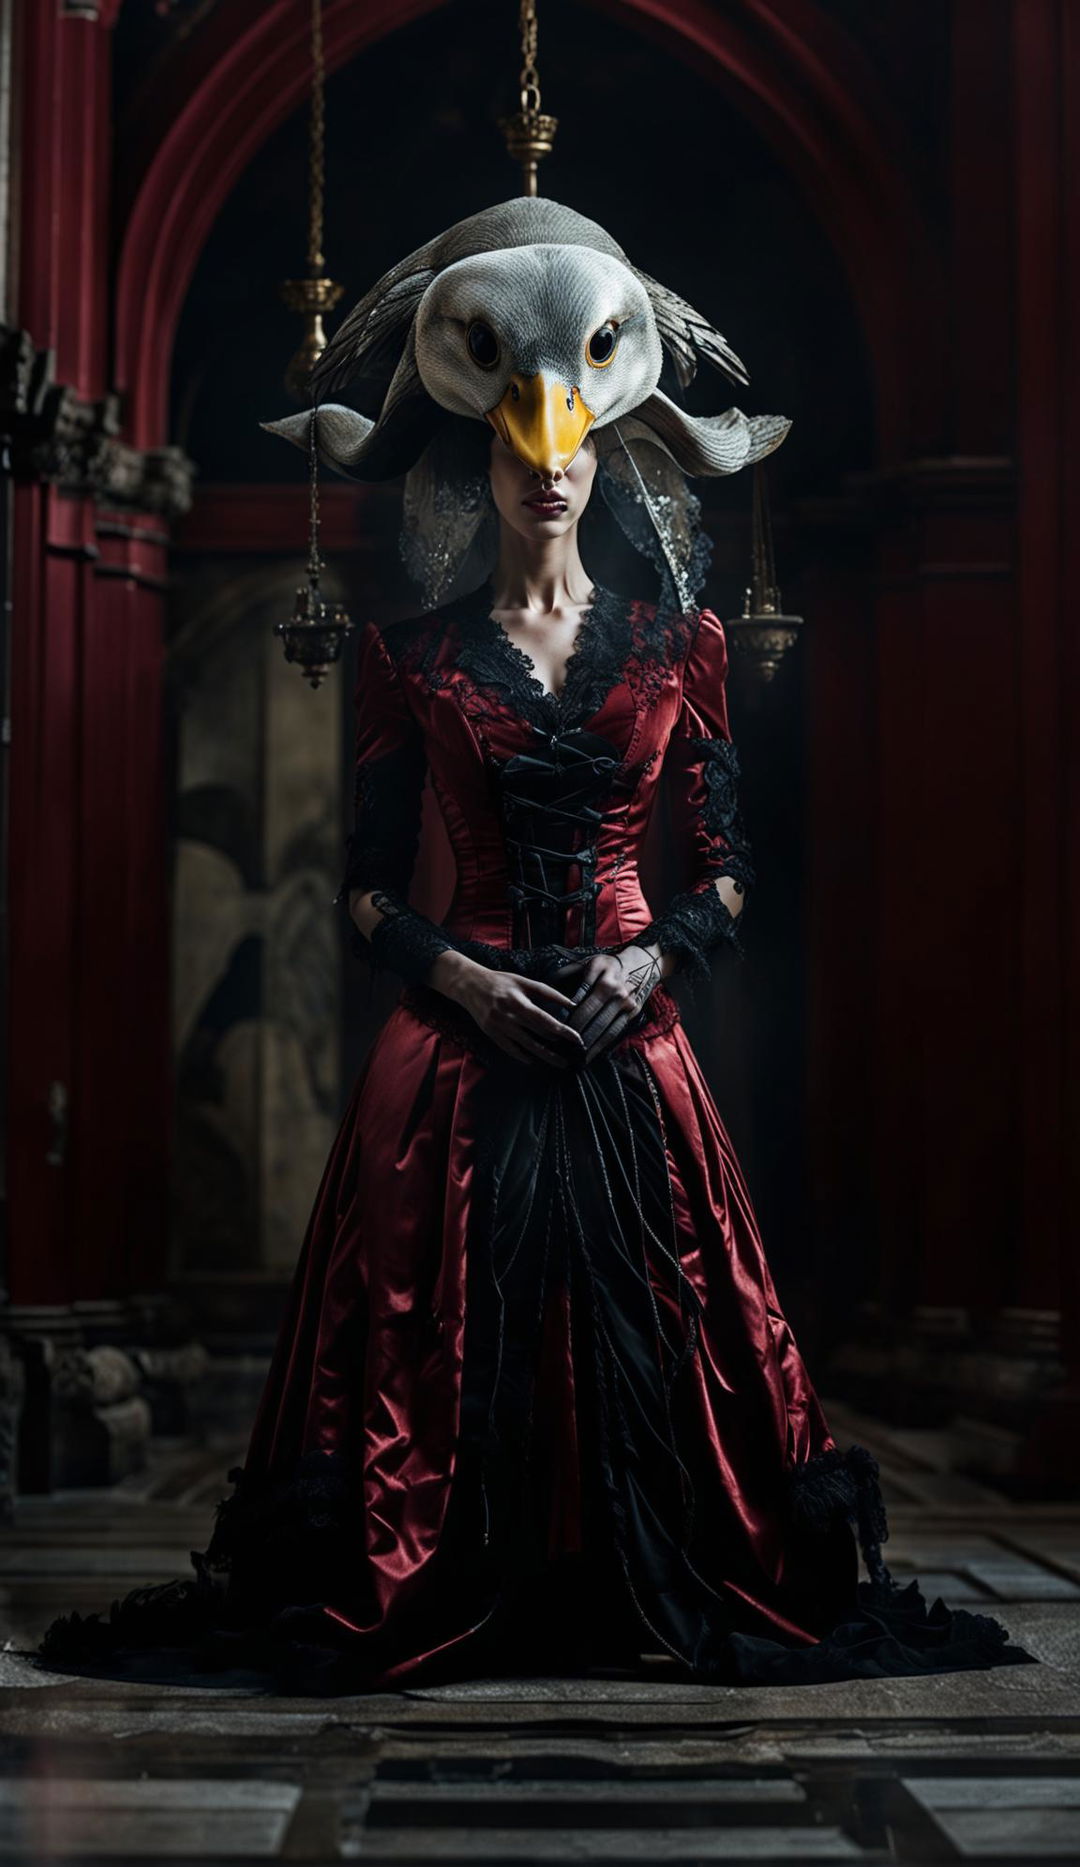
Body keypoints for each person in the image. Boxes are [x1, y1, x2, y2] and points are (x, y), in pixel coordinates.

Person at [43, 200, 1027, 1690]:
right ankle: (454, 1578)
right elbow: (364, 894)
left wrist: (656, 963)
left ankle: (643, 1579)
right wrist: (467, 981)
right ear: (485, 465)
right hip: (460, 1041)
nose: (548, 475)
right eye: (521, 453)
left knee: (673, 1329)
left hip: (639, 1037)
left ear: (603, 463)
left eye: (571, 455)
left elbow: (732, 871)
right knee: (435, 1338)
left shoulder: (680, 648)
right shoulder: (412, 657)